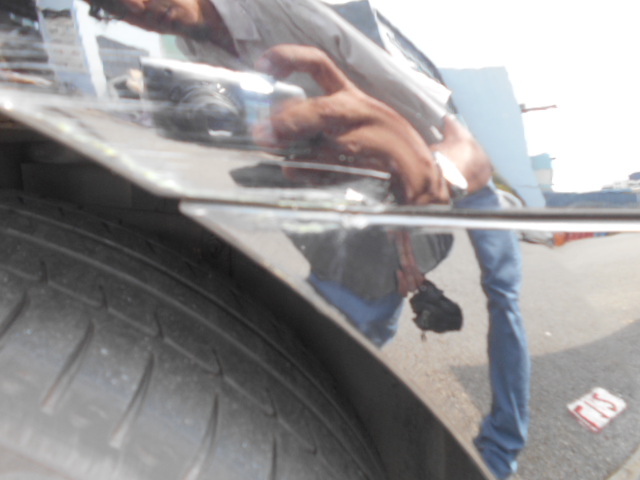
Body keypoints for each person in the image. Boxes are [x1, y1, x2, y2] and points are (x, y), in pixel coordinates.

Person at [85, 1, 526, 477]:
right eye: (113, 8)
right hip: (370, 186)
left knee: (502, 295)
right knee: (353, 319)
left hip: (447, 164)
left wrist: (433, 179)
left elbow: (419, 107)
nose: (136, 9)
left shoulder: (280, 9)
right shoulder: (195, 52)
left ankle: (500, 451)